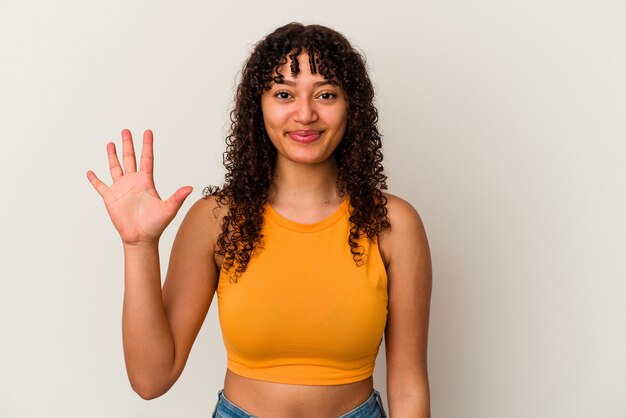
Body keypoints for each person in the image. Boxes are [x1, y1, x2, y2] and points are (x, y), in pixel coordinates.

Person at [87, 22, 432, 418]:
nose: (305, 113)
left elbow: (408, 386)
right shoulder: (217, 220)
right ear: (259, 106)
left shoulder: (394, 224)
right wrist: (139, 246)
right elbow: (151, 379)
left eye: (326, 94)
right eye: (284, 94)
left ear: (351, 105)